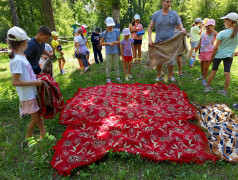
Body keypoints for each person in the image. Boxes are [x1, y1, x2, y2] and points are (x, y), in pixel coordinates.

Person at [7, 26, 55, 148]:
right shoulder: (17, 60)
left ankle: (43, 133)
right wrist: (35, 82)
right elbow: (15, 82)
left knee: (38, 114)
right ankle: (28, 137)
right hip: (27, 95)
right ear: (24, 43)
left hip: (32, 92)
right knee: (35, 118)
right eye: (27, 41)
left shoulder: (21, 56)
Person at [148, 0, 186, 82]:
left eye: (170, 2)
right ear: (162, 2)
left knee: (171, 61)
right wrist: (150, 39)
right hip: (159, 43)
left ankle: (170, 75)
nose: (169, 3)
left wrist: (182, 29)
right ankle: (159, 75)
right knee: (159, 61)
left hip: (170, 43)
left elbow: (179, 26)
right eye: (167, 1)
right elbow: (150, 27)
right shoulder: (156, 14)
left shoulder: (174, 14)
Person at [205, 12, 238, 96]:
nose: (224, 22)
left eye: (225, 21)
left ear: (230, 22)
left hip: (218, 55)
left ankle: (207, 87)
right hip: (229, 56)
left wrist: (211, 57)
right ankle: (225, 91)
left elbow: (215, 48)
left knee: (213, 71)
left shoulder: (222, 33)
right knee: (227, 73)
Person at [195, 19, 218, 86]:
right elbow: (200, 42)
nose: (210, 29)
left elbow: (218, 35)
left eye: (212, 27)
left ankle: (205, 79)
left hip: (209, 52)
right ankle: (202, 75)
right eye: (208, 27)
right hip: (202, 52)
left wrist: (212, 29)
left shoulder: (214, 34)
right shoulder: (203, 34)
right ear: (206, 27)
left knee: (206, 67)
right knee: (202, 64)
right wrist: (196, 50)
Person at [101, 17, 121, 84]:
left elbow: (119, 41)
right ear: (106, 24)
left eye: (111, 25)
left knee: (116, 65)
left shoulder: (116, 32)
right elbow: (101, 43)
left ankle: (117, 77)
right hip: (108, 52)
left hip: (115, 51)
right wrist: (108, 43)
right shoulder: (104, 33)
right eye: (109, 25)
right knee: (108, 65)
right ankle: (108, 78)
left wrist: (116, 42)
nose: (110, 26)